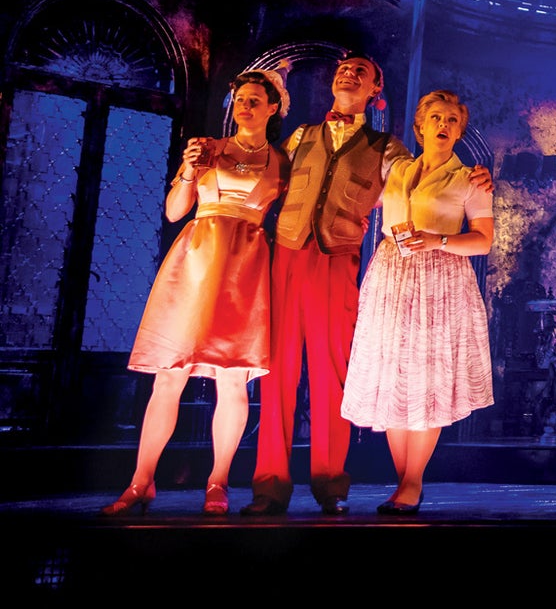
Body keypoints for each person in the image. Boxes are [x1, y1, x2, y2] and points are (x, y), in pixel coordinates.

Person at [244, 54, 490, 516]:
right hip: (290, 252)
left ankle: (330, 484)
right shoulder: (300, 136)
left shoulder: (388, 151)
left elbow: (429, 186)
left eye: (361, 71)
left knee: (333, 371)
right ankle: (269, 486)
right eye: (344, 68)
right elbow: (261, 174)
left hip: (339, 258)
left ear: (376, 90)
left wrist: (478, 176)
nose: (349, 73)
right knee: (277, 370)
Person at [104, 71, 289, 517]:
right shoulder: (207, 148)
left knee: (233, 377)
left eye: (254, 99)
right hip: (196, 259)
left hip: (245, 266)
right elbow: (174, 212)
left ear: (272, 108)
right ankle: (141, 481)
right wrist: (188, 171)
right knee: (170, 374)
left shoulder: (283, 160)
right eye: (239, 99)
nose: (245, 106)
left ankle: (218, 481)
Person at [341, 90, 495, 513]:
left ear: (459, 132)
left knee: (429, 381)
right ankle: (403, 480)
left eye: (452, 120)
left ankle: (413, 480)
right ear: (420, 126)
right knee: (394, 375)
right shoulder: (396, 168)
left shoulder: (470, 178)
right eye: (436, 117)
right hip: (392, 275)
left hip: (440, 279)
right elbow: (359, 194)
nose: (443, 124)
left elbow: (483, 241)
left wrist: (437, 240)